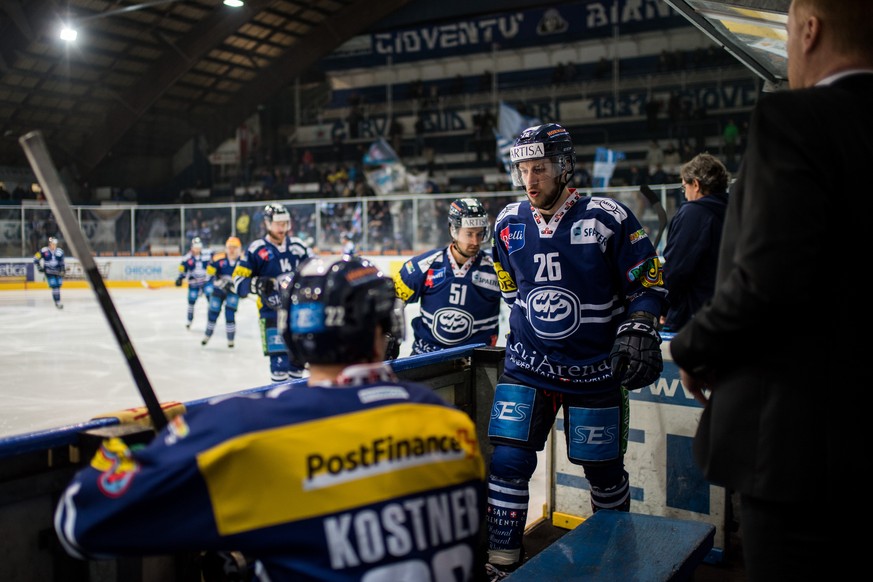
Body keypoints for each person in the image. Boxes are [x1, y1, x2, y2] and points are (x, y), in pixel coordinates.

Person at [53, 255, 488, 581]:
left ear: (294, 336)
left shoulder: (252, 430)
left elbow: (79, 523)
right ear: (384, 327)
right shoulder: (445, 420)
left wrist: (128, 441)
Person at [669, 2, 873, 580]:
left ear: (810, 29)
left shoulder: (798, 118)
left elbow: (766, 280)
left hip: (799, 452)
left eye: (787, 30)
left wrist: (693, 347)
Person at [486, 123, 666, 577]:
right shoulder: (508, 223)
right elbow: (509, 285)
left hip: (594, 372)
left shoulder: (609, 217)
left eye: (540, 168)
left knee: (603, 474)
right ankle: (501, 563)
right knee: (507, 463)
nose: (530, 180)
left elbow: (648, 282)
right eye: (523, 169)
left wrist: (641, 322)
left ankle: (616, 561)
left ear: (565, 166)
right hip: (527, 365)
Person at [393, 197, 502, 355]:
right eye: (469, 234)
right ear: (453, 230)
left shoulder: (497, 269)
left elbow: (521, 304)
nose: (475, 241)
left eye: (480, 234)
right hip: (425, 356)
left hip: (477, 360)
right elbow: (393, 301)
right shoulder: (423, 266)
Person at [233, 203, 313, 382]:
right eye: (278, 223)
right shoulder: (256, 249)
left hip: (298, 315)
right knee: (279, 368)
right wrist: (256, 284)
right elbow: (238, 283)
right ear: (267, 224)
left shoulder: (299, 247)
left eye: (285, 223)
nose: (282, 227)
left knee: (297, 367)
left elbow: (316, 272)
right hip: (271, 315)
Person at [660, 153, 729, 332]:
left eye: (684, 188)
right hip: (728, 312)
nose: (685, 194)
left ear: (696, 184)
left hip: (693, 319)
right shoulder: (735, 210)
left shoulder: (694, 213)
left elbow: (676, 269)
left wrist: (663, 305)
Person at [201, 236, 243, 348]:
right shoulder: (218, 259)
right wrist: (218, 282)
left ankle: (230, 339)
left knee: (230, 314)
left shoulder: (244, 261)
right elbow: (209, 276)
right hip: (218, 290)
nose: (232, 250)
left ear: (239, 249)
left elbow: (247, 279)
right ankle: (207, 335)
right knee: (213, 312)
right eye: (230, 247)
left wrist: (240, 288)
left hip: (233, 292)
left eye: (235, 247)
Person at [175, 236, 213, 330]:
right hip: (194, 283)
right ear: (192, 247)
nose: (197, 248)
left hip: (206, 282)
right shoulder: (187, 258)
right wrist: (180, 278)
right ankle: (189, 320)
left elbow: (215, 262)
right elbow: (182, 270)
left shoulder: (207, 254)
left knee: (211, 298)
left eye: (199, 246)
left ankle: (211, 319)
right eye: (196, 246)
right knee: (191, 301)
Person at [33, 235, 65, 309]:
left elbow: (62, 262)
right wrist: (38, 266)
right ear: (50, 243)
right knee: (55, 287)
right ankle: (58, 302)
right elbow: (35, 258)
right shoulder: (44, 251)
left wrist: (63, 269)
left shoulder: (60, 251)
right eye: (52, 243)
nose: (53, 245)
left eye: (54, 243)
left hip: (57, 272)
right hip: (49, 272)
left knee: (58, 285)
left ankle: (57, 301)